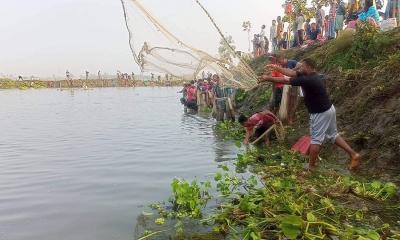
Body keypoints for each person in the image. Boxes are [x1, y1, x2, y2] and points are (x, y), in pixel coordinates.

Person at [258, 58, 361, 171]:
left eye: (302, 66)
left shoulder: (309, 79)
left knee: (316, 140)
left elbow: (286, 80)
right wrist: (277, 68)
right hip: (329, 109)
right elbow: (292, 73)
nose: (299, 68)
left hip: (320, 113)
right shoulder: (308, 74)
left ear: (309, 67)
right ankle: (354, 155)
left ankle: (311, 167)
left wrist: (268, 78)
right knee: (333, 135)